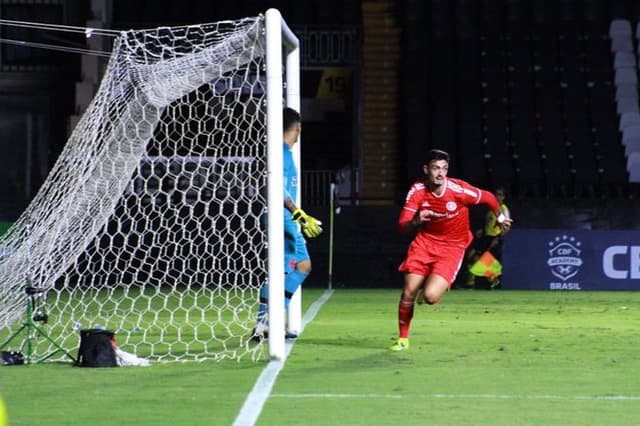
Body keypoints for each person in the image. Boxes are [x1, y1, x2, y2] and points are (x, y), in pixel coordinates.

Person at [390, 149, 512, 351]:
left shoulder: (459, 190)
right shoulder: (418, 190)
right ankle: (403, 339)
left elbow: (489, 197)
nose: (440, 173)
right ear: (426, 169)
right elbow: (402, 226)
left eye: (444, 168)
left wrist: (500, 218)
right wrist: (416, 221)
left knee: (430, 297)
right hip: (425, 243)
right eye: (436, 168)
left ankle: (428, 289)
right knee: (408, 292)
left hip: (453, 247)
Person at [252, 107, 323, 341]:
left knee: (297, 267)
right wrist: (299, 215)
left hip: (281, 218)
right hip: (283, 219)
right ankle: (267, 325)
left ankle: (267, 323)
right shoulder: (280, 154)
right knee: (289, 271)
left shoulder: (280, 152)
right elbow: (277, 189)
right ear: (298, 128)